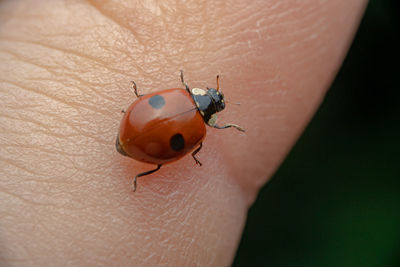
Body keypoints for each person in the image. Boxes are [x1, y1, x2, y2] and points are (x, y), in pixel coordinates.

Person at [0, 0, 367, 265]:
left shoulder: (184, 105)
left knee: (160, 163)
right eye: (215, 99)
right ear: (209, 107)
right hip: (137, 136)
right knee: (161, 165)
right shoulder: (199, 131)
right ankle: (138, 173)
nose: (214, 97)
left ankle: (137, 172)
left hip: (137, 130)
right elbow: (182, 146)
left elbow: (164, 112)